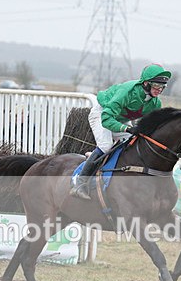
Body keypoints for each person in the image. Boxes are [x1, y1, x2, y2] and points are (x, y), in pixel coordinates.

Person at [70, 63, 172, 200]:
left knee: (133, 142)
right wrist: (127, 128)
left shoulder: (155, 103)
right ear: (146, 83)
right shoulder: (127, 91)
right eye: (156, 85)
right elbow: (106, 119)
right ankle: (80, 183)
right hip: (102, 114)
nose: (160, 89)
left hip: (121, 119)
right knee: (105, 145)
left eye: (162, 87)